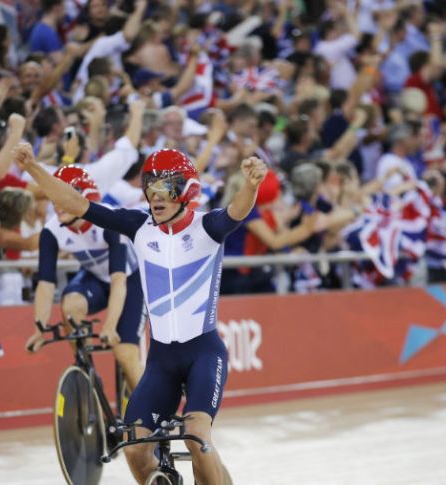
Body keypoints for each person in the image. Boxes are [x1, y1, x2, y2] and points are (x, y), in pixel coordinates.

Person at [21, 145, 267, 485]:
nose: (155, 196)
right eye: (149, 187)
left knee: (197, 437)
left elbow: (237, 211)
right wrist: (33, 167)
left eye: (164, 188)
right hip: (161, 360)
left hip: (203, 354)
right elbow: (77, 203)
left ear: (186, 191)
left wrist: (250, 185)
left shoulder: (207, 227)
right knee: (135, 447)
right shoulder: (138, 226)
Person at [25, 166, 145, 392]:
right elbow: (45, 283)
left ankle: (152, 415)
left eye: (64, 198)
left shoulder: (108, 221)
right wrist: (40, 329)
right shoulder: (51, 230)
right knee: (70, 307)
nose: (57, 205)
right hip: (96, 278)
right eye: (54, 198)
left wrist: (110, 326)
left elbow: (119, 280)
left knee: (124, 354)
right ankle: (88, 374)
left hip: (130, 280)